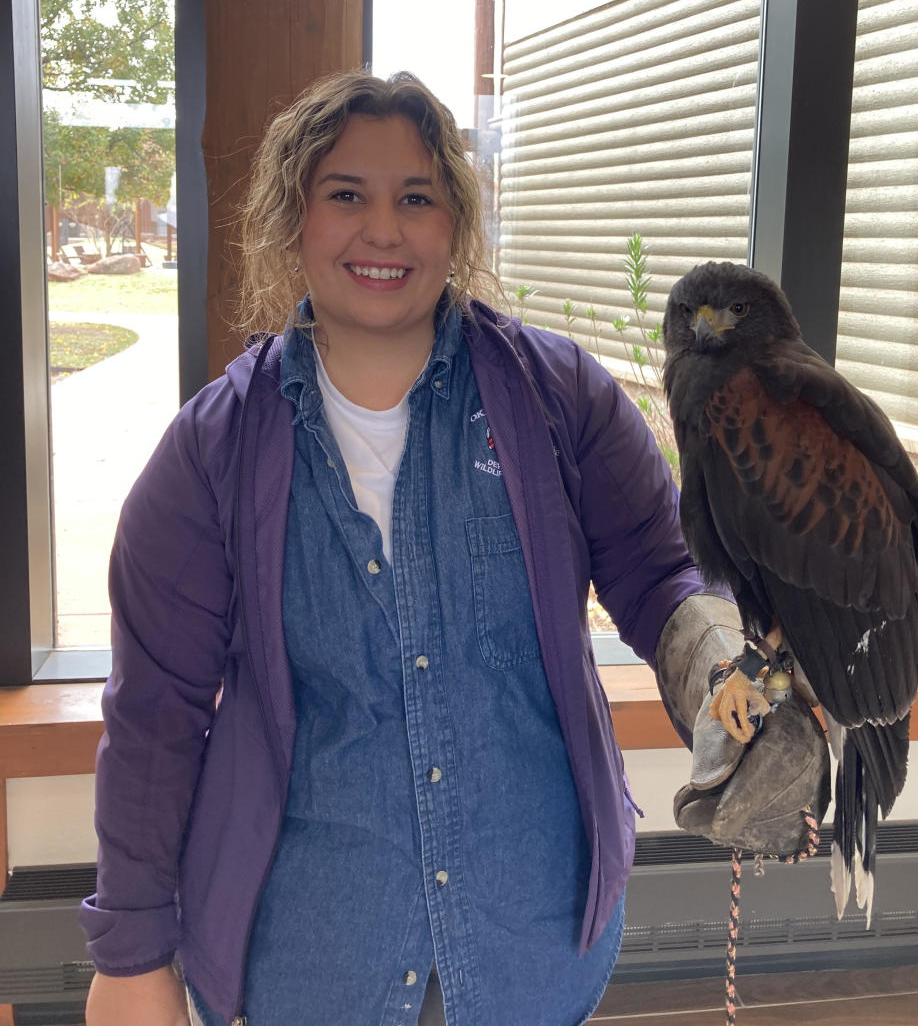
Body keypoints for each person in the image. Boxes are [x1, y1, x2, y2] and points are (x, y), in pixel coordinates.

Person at [80, 71, 827, 1026]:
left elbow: (661, 570)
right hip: (309, 955)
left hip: (533, 938)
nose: (383, 230)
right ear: (293, 219)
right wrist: (132, 954)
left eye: (416, 198)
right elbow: (155, 713)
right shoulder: (213, 449)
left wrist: (727, 684)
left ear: (456, 226)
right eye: (346, 194)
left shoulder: (562, 399)